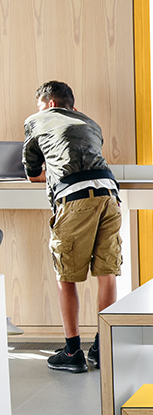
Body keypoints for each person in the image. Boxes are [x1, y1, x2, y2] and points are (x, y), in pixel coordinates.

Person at [23, 81, 121, 372]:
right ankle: (104, 348)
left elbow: (32, 172)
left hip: (74, 198)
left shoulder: (36, 120)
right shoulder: (89, 121)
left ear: (50, 104)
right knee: (107, 273)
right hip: (109, 194)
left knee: (65, 275)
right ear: (72, 106)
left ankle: (71, 352)